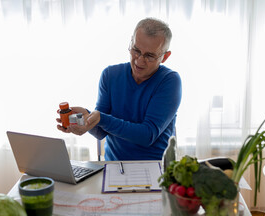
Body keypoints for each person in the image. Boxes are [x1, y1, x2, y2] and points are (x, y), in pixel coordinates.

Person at [56, 17, 182, 161]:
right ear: (131, 43)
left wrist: (100, 118)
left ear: (165, 57)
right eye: (136, 50)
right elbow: (101, 132)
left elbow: (148, 135)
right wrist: (86, 118)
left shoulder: (169, 81)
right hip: (114, 165)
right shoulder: (110, 75)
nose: (139, 60)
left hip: (155, 167)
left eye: (150, 56)